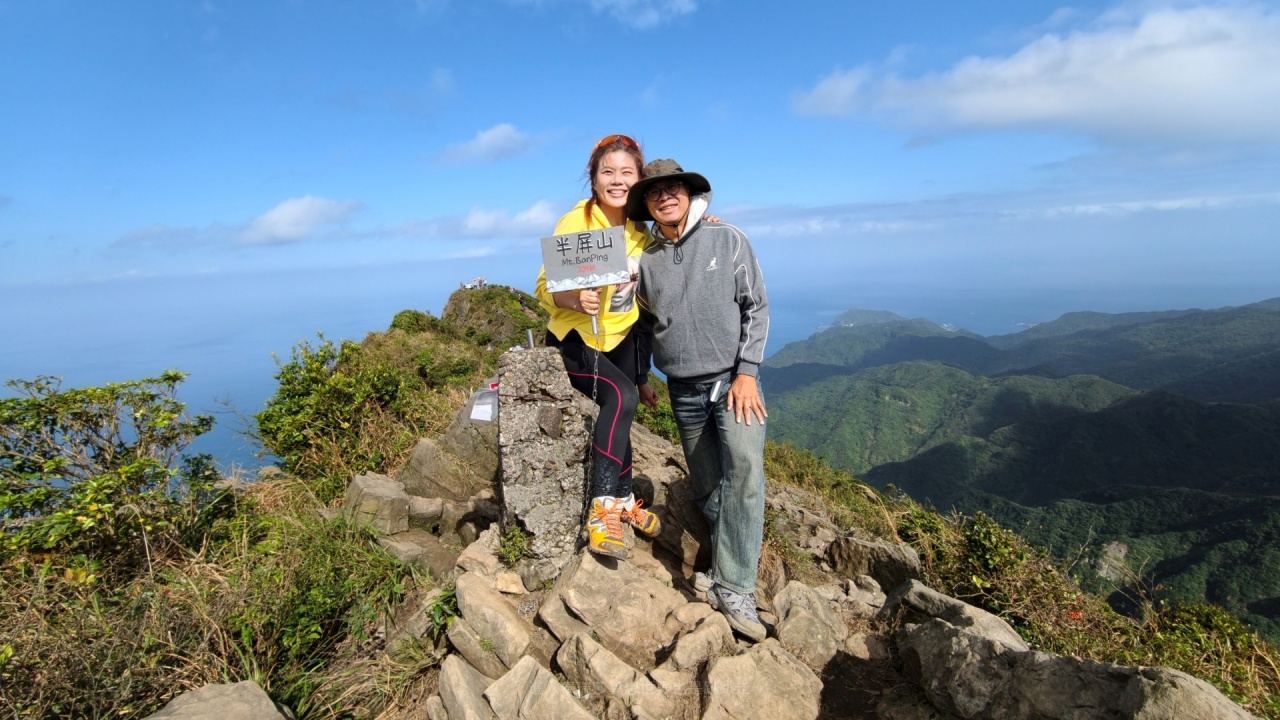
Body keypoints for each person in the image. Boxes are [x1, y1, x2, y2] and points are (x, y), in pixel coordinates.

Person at [627, 158, 771, 642]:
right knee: (709, 486)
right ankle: (734, 553)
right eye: (655, 192)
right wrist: (642, 373)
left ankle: (735, 586)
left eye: (673, 188)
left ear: (688, 193)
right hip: (683, 390)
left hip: (734, 385)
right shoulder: (645, 258)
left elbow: (756, 305)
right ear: (646, 204)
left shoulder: (726, 238)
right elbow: (644, 324)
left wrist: (747, 373)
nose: (665, 196)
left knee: (746, 475)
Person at [534, 134, 662, 560]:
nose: (617, 180)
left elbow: (643, 305)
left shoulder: (639, 232)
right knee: (619, 398)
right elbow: (542, 286)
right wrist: (575, 298)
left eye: (627, 172)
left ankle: (625, 502)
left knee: (625, 405)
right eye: (608, 172)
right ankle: (602, 510)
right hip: (577, 338)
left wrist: (707, 225)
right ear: (593, 180)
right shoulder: (577, 223)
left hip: (621, 336)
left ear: (638, 179)